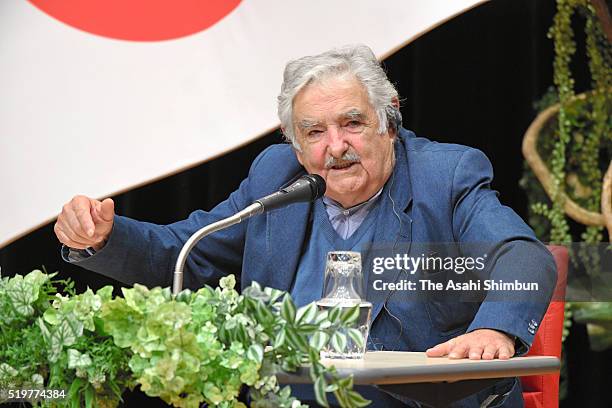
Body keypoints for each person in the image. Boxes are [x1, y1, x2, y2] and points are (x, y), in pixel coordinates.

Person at [54, 44, 556, 407]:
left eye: (352, 123)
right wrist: (103, 237)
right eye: (314, 132)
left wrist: (495, 328)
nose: (334, 146)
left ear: (389, 121)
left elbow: (521, 254)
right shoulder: (277, 178)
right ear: (295, 144)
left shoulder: (443, 177)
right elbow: (184, 252)